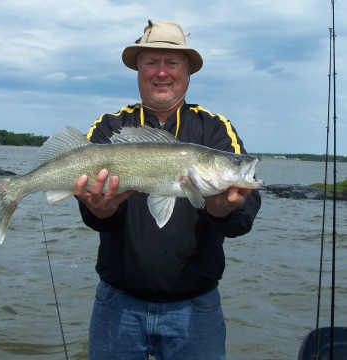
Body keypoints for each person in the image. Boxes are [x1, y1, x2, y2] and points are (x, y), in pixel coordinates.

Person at [74, 20, 261, 360]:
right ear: (138, 70)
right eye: (151, 62)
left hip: (196, 308)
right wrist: (99, 210)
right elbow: (91, 211)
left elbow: (243, 218)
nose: (162, 73)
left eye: (172, 62)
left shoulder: (216, 128)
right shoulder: (109, 126)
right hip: (117, 304)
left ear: (188, 72)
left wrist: (222, 210)